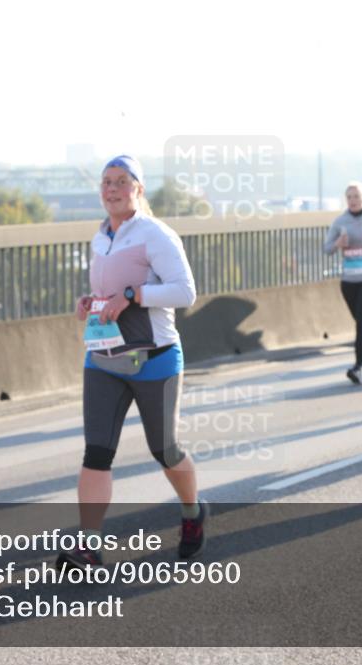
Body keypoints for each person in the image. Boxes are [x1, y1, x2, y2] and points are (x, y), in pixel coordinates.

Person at [58, 155, 205, 572]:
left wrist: (135, 294)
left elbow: (185, 292)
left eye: (121, 181)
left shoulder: (155, 234)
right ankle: (89, 544)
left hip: (154, 359)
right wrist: (89, 303)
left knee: (165, 450)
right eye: (106, 182)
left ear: (138, 189)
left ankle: (193, 513)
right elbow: (107, 295)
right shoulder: (99, 237)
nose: (112, 189)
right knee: (96, 453)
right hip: (103, 358)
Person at [323, 181, 362, 384]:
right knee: (361, 322)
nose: (353, 200)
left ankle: (357, 367)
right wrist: (338, 243)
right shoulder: (340, 221)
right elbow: (327, 248)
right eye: (349, 197)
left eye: (357, 196)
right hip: (349, 279)